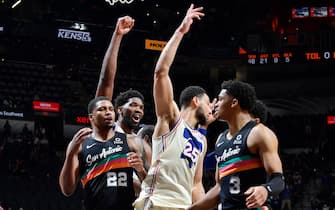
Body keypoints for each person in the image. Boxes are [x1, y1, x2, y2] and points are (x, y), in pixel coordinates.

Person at [134, 4, 216, 209]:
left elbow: (196, 185)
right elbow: (161, 73)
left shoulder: (201, 141)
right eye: (208, 103)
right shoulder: (171, 118)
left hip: (183, 206)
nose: (211, 109)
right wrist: (180, 31)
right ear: (195, 101)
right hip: (157, 203)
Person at [188, 80, 284, 210]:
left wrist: (265, 189)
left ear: (234, 103)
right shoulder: (220, 140)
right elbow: (219, 188)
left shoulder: (259, 133)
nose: (215, 105)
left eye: (221, 100)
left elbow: (278, 180)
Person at [94, 15, 152, 195]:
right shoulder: (107, 128)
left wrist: (140, 171)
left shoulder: (142, 144)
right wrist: (117, 36)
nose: (139, 110)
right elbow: (106, 81)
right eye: (133, 105)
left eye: (141, 107)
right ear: (119, 109)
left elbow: (152, 188)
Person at [59, 96, 147, 210]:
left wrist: (141, 171)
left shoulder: (131, 142)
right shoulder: (80, 145)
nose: (108, 112)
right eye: (102, 109)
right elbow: (67, 190)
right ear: (91, 117)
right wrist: (71, 154)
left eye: (111, 109)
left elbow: (150, 186)